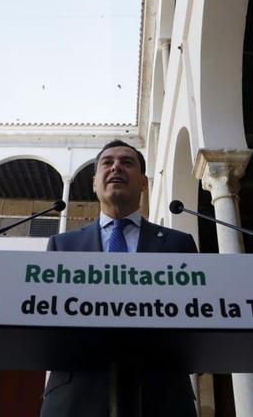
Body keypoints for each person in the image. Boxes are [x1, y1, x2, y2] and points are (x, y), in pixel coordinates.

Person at [40, 140, 198, 417]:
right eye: (107, 162)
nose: (116, 167)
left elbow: (197, 316)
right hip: (75, 397)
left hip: (162, 394)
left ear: (144, 183)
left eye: (127, 162)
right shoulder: (62, 246)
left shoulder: (178, 244)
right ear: (94, 183)